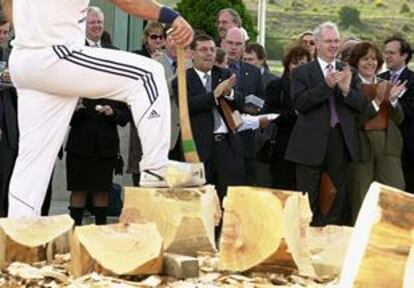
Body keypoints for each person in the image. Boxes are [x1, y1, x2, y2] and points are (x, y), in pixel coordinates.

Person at [3, 0, 202, 218]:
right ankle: (156, 167)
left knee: (33, 160)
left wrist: (31, 36)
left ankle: (19, 234)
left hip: (25, 60)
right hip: (57, 54)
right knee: (148, 75)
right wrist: (170, 16)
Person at [285, 22, 365, 226]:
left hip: (340, 140)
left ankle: (330, 243)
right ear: (317, 44)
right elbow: (300, 103)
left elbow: (362, 105)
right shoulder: (302, 73)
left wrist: (347, 90)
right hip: (309, 143)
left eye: (336, 41)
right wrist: (326, 86)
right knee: (306, 199)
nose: (334, 45)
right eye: (329, 41)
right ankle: (304, 241)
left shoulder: (349, 72)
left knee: (336, 198)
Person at [65, 6, 132, 226]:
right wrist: (73, 107)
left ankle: (101, 234)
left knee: (102, 190)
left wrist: (115, 113)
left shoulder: (115, 53)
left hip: (106, 137)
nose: (97, 26)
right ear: (83, 26)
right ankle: (74, 234)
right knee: (79, 189)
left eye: (99, 23)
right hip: (80, 135)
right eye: (92, 22)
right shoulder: (72, 52)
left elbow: (124, 100)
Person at [347, 41, 406, 224]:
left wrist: (394, 101)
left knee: (394, 194)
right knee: (362, 197)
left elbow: (398, 119)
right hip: (361, 146)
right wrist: (377, 101)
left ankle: (394, 238)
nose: (370, 63)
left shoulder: (386, 84)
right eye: (365, 59)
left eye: (374, 59)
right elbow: (352, 120)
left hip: (388, 146)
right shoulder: (349, 86)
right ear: (356, 62)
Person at [264, 45, 312, 190]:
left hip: (307, 146)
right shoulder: (276, 86)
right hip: (283, 145)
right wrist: (296, 113)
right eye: (296, 63)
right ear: (288, 65)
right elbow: (270, 115)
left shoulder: (314, 88)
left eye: (304, 64)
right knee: (282, 188)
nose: (299, 67)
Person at [379, 35, 414, 194]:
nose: (387, 56)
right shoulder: (378, 79)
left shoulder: (413, 80)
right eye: (385, 52)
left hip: (408, 149)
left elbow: (410, 110)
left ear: (404, 55)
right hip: (381, 147)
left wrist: (392, 101)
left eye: (392, 53)